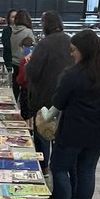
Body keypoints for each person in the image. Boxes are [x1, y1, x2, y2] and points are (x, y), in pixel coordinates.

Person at [49, 30, 100, 199]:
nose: (71, 54)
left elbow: (58, 102)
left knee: (59, 168)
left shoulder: (72, 74)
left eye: (73, 50)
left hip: (73, 131)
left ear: (83, 50)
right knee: (87, 171)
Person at [25, 11, 72, 171]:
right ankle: (60, 167)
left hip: (44, 95)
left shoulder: (44, 44)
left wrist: (28, 63)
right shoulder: (70, 41)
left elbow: (33, 72)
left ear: (45, 25)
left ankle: (43, 167)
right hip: (66, 97)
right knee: (61, 134)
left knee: (43, 132)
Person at [1, 8, 17, 91]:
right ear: (9, 19)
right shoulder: (6, 30)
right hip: (9, 58)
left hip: (19, 59)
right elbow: (6, 45)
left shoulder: (22, 30)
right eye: (13, 17)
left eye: (16, 17)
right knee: (12, 80)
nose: (15, 19)